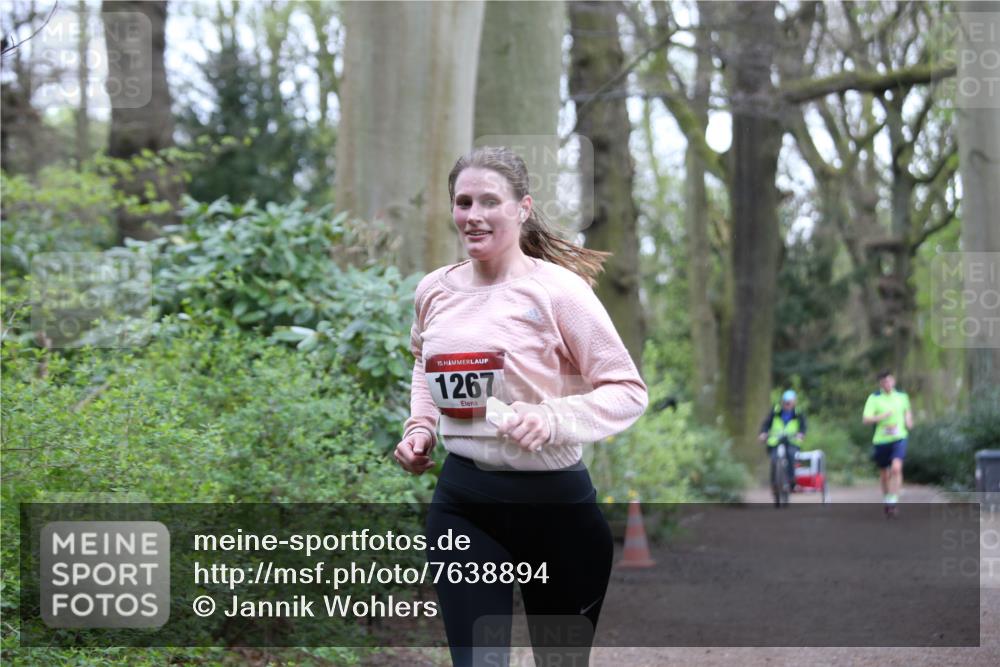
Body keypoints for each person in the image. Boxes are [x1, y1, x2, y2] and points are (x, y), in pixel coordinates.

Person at [393, 146, 648, 667]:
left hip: (555, 507)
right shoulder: (434, 291)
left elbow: (627, 389)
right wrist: (420, 426)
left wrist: (554, 418)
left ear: (522, 208)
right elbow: (424, 362)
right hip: (465, 502)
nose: (474, 215)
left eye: (490, 201)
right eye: (464, 202)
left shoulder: (559, 292)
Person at [862, 370, 913, 517]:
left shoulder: (902, 396)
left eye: (890, 381)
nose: (888, 384)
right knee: (884, 474)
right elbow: (866, 419)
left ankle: (893, 500)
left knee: (896, 468)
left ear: (894, 381)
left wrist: (909, 420)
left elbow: (907, 411)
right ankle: (886, 499)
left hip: (899, 437)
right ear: (880, 384)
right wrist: (881, 416)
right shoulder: (874, 398)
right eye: (884, 382)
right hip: (881, 440)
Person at [757, 389, 807, 492]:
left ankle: (791, 481)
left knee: (791, 455)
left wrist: (801, 434)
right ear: (782, 402)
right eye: (785, 402)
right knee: (774, 459)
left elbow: (803, 426)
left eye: (789, 402)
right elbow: (766, 424)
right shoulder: (775, 411)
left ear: (794, 402)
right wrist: (763, 433)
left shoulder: (798, 413)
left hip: (791, 441)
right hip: (776, 440)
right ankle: (774, 484)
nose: (787, 405)